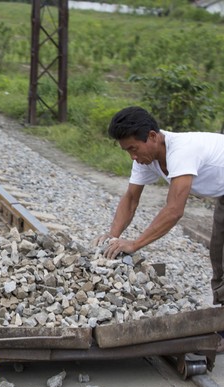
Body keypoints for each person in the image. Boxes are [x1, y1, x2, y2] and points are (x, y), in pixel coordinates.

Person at [93, 106, 224, 347]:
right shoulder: (144, 158)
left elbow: (174, 210)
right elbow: (131, 198)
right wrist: (113, 236)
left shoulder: (183, 151)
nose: (132, 156)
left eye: (133, 148)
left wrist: (135, 244)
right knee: (220, 255)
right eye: (127, 150)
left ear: (153, 136)